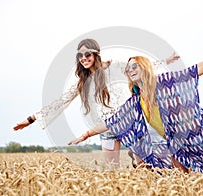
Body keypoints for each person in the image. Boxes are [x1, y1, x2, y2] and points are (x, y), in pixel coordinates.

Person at [68, 43, 203, 175]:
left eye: (134, 65)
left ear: (144, 68)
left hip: (195, 127)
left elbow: (194, 71)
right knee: (183, 176)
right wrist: (86, 134)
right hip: (175, 141)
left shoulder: (162, 82)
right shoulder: (136, 101)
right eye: (128, 68)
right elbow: (113, 121)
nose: (130, 69)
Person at [13, 38, 177, 167]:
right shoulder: (82, 83)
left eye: (87, 55)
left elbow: (141, 68)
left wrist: (167, 61)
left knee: (145, 167)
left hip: (130, 123)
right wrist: (31, 119)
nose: (84, 59)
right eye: (80, 56)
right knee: (111, 172)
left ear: (96, 54)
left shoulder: (115, 68)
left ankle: (137, 161)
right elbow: (60, 102)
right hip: (107, 128)